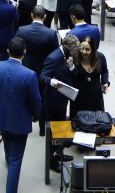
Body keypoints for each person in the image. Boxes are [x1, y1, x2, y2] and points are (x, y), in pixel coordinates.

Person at [0, 37, 42, 193]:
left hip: (0, 117)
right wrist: (35, 116)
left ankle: (7, 160)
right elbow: (35, 101)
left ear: (8, 51)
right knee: (17, 159)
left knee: (7, 142)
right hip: (19, 122)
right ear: (24, 53)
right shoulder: (29, 75)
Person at [41, 34, 79, 172]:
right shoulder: (53, 58)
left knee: (62, 126)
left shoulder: (69, 57)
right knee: (54, 131)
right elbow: (43, 76)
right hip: (53, 101)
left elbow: (71, 74)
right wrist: (52, 82)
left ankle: (58, 153)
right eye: (75, 49)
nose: (77, 51)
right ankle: (51, 159)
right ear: (67, 48)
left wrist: (71, 67)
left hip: (64, 98)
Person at [70, 36, 109, 118]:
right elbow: (72, 77)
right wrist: (71, 68)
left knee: (97, 122)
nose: (84, 52)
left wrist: (105, 83)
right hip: (79, 98)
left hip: (96, 97)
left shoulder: (100, 57)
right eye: (82, 48)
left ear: (93, 50)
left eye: (87, 49)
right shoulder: (74, 59)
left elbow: (105, 71)